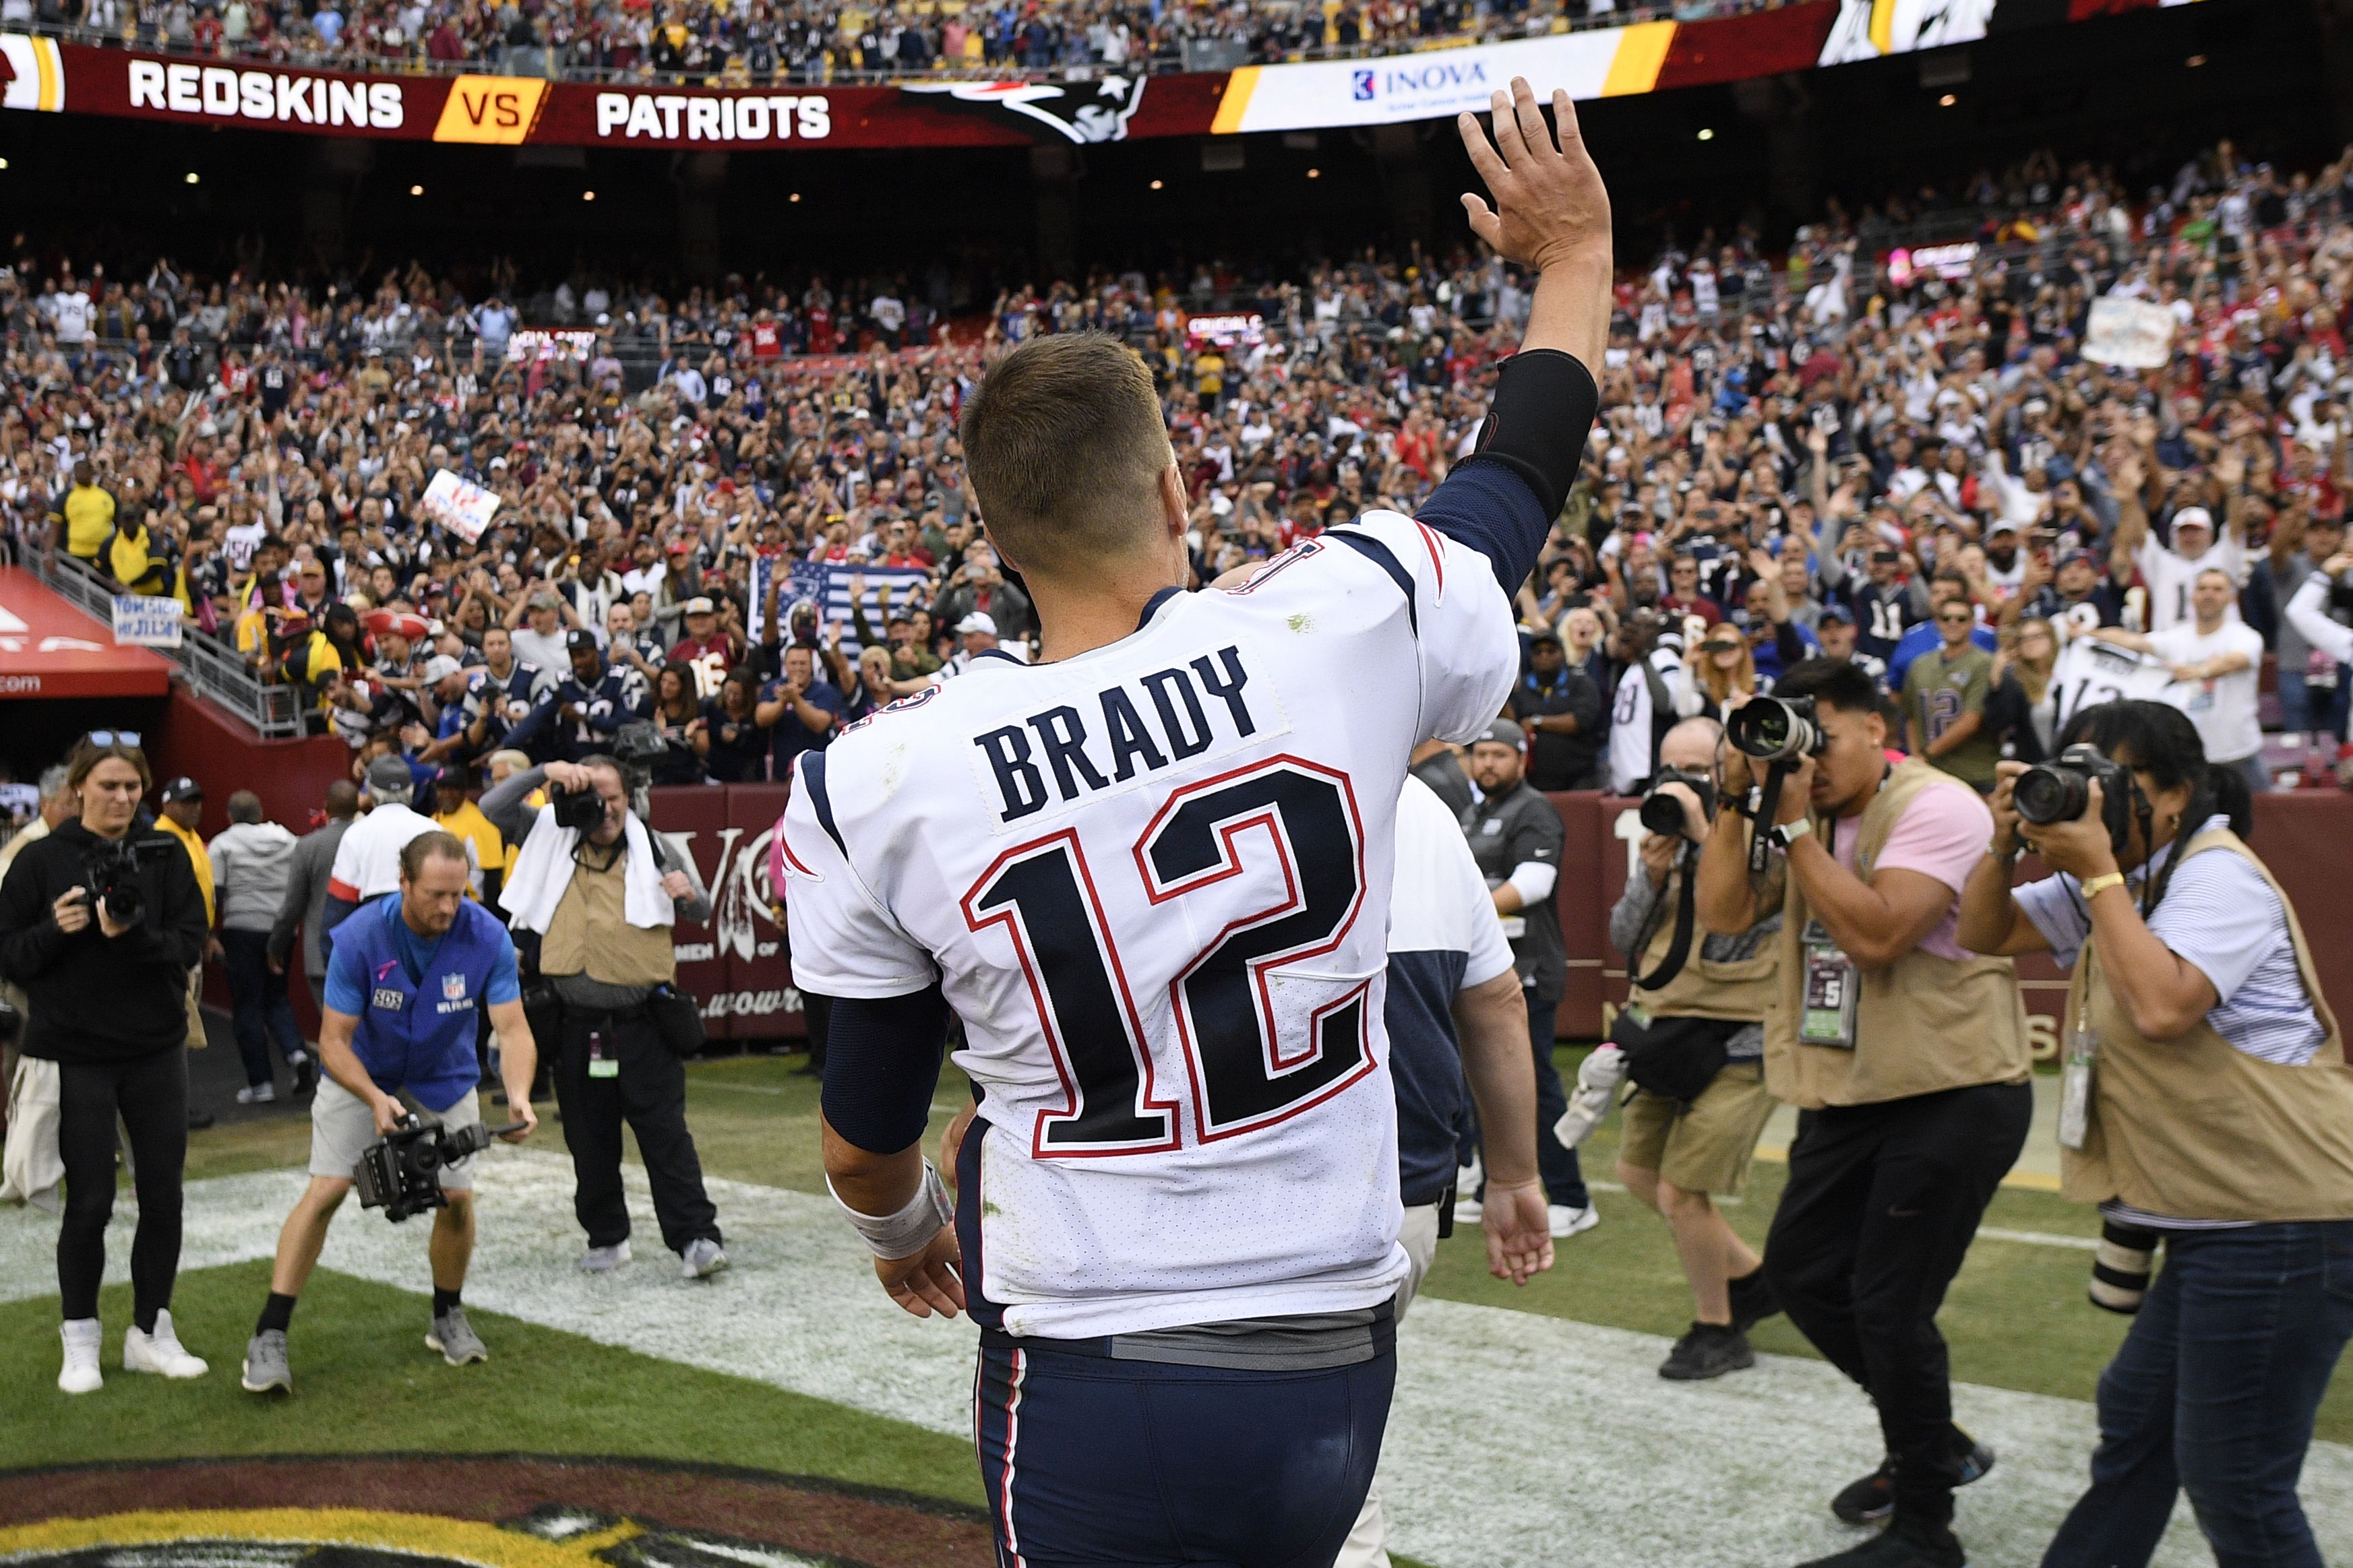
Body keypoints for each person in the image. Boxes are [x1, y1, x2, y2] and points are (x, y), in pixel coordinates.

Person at [778, 76, 1609, 1568]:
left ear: (997, 536)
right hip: (1340, 1332)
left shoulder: (881, 772)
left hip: (1103, 1355)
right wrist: (1570, 261)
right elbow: (1513, 476)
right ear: (1172, 482)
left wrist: (905, 1234)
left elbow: (861, 1144)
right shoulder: (1338, 617)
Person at [1955, 701, 2353, 1568]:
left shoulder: (2215, 876)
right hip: (2217, 1219)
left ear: (2175, 795)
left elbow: (2164, 1006)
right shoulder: (2128, 877)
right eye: (2079, 775)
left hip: (2280, 1222)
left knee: (2237, 1478)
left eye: (2115, 781)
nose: (2091, 798)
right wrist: (2000, 841)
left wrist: (2095, 870)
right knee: (2136, 1416)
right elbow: (1981, 932)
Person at [1694, 657, 2031, 1568]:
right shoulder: (1794, 810)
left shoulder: (1936, 805)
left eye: (1821, 737)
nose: (1807, 756)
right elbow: (1722, 911)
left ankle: (1925, 1528)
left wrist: (1794, 821)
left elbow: (1880, 935)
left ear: (1873, 729)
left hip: (1951, 1089)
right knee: (1801, 1274)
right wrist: (1736, 799)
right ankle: (1931, 1441)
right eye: (1787, 736)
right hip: (1849, 1090)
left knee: (1887, 1305)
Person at [1335, 773, 1554, 1568]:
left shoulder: (1208, 764)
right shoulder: (1421, 803)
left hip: (1232, 1196)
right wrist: (1514, 1175)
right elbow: (1495, 1002)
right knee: (1333, 1456)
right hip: (1404, 1193)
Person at [239, 833, 539, 1395]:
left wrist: (519, 1094)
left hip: (443, 1075)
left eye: (458, 893)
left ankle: (446, 1315)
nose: (448, 907)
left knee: (456, 1198)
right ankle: (269, 1333)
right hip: (361, 1073)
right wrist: (376, 1098)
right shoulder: (358, 938)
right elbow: (332, 1041)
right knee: (327, 1190)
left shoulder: (486, 934)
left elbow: (513, 1026)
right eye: (434, 894)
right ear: (403, 883)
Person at [0, 741, 213, 1393]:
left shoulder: (166, 851)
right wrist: (54, 930)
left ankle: (151, 1330)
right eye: (110, 785)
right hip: (75, 1051)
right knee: (88, 1201)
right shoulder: (39, 857)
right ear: (79, 787)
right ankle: (80, 1337)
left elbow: (188, 942)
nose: (123, 797)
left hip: (154, 1047)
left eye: (132, 787)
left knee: (163, 1194)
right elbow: (10, 956)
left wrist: (134, 934)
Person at [484, 754, 725, 1278]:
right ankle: (606, 1236)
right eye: (595, 796)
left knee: (665, 1136)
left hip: (645, 1022)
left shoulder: (657, 845)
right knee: (588, 1140)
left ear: (630, 797)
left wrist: (690, 897)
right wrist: (547, 774)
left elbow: (702, 909)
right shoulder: (548, 832)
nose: (605, 808)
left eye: (614, 796)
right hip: (574, 1023)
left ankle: (697, 1238)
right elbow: (492, 805)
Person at [1596, 716, 1783, 1379]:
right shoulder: (1660, 836)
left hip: (1740, 1033)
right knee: (1636, 1173)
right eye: (1667, 770)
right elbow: (1624, 936)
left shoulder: (1763, 833)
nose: (1678, 784)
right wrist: (1650, 875)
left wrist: (1711, 840)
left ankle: (1717, 1325)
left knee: (1681, 1188)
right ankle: (1755, 1278)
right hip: (1669, 1027)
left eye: (1695, 771)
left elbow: (1741, 927)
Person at [1457, 718, 1598, 1238]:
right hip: (1482, 969)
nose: (1488, 762)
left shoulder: (1534, 808)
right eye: (1480, 753)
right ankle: (1486, 1181)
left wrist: (1465, 914)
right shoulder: (1476, 809)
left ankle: (1570, 1195)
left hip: (1528, 969)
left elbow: (1534, 882)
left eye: (1499, 754)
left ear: (1521, 760)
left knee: (1532, 1084)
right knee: (1480, 1081)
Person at [2092, 569, 2269, 797]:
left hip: (2239, 751)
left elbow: (2239, 660)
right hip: (2191, 755)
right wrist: (2086, 634)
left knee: (2268, 819)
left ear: (2231, 598)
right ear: (2192, 596)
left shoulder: (2244, 636)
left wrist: (2199, 671)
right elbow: (2133, 642)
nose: (2209, 595)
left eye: (2217, 589)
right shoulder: (2176, 637)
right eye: (2203, 589)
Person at [209, 790, 315, 1103]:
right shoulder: (288, 840)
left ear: (230, 816)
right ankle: (296, 1054)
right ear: (260, 812)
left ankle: (261, 1085)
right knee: (277, 998)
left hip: (241, 929)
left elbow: (215, 893)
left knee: (247, 1005)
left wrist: (209, 935)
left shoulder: (223, 844)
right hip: (282, 931)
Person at [323, 756, 458, 951]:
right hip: (429, 935)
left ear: (370, 791)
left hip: (377, 936)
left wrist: (332, 956)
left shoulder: (356, 833)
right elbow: (453, 896)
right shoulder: (435, 829)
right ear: (411, 789)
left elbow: (340, 906)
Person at [266, 780, 359, 1016]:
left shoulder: (308, 846)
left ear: (326, 807)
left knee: (332, 1030)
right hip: (365, 951)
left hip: (321, 956)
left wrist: (276, 946)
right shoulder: (368, 841)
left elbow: (292, 906)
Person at [1902, 598, 2000, 790]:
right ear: (1937, 623)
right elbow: (1910, 717)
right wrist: (1916, 758)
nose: (1953, 623)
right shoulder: (1919, 665)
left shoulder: (1984, 663)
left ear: (1973, 623)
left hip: (1974, 773)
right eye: (1946, 618)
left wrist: (1927, 755)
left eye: (1961, 619)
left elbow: (1971, 720)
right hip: (1930, 773)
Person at [1510, 629, 1604, 790]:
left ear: (1562, 653)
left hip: (1579, 779)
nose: (1544, 656)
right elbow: (1512, 725)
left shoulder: (1581, 683)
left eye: (1551, 651)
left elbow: (1580, 721)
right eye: (1538, 652)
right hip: (1534, 781)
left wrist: (1537, 722)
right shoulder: (1522, 689)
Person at [757, 642, 845, 776]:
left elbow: (820, 724)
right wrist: (783, 701)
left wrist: (796, 700)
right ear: (785, 665)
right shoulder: (773, 687)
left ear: (811, 666)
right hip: (781, 771)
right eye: (793, 663)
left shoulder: (825, 690)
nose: (798, 668)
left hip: (817, 771)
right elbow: (761, 719)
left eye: (803, 663)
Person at [430, 767, 507, 904]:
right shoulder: (434, 820)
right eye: (442, 789)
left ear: (464, 791)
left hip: (471, 902)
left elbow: (493, 873)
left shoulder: (481, 821)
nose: (447, 794)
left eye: (453, 789)